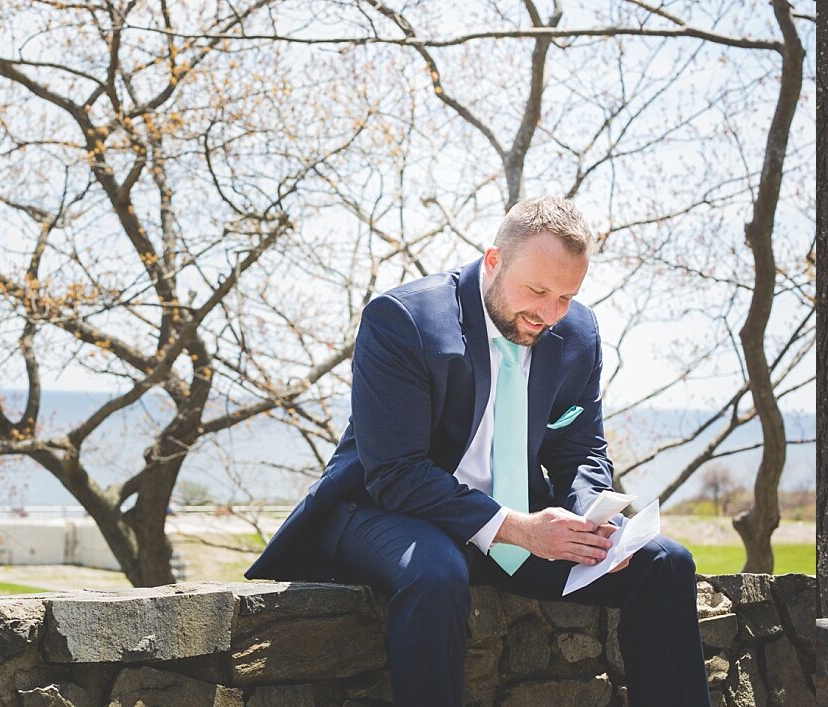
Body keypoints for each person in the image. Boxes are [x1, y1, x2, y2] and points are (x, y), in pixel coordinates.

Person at [247, 196, 710, 706]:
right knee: (436, 571)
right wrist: (518, 528)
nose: (549, 314)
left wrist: (588, 521)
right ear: (493, 261)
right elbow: (396, 473)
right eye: (537, 290)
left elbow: (581, 451)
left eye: (565, 296)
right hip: (382, 510)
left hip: (515, 528)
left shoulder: (578, 334)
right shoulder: (404, 320)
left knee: (665, 562)